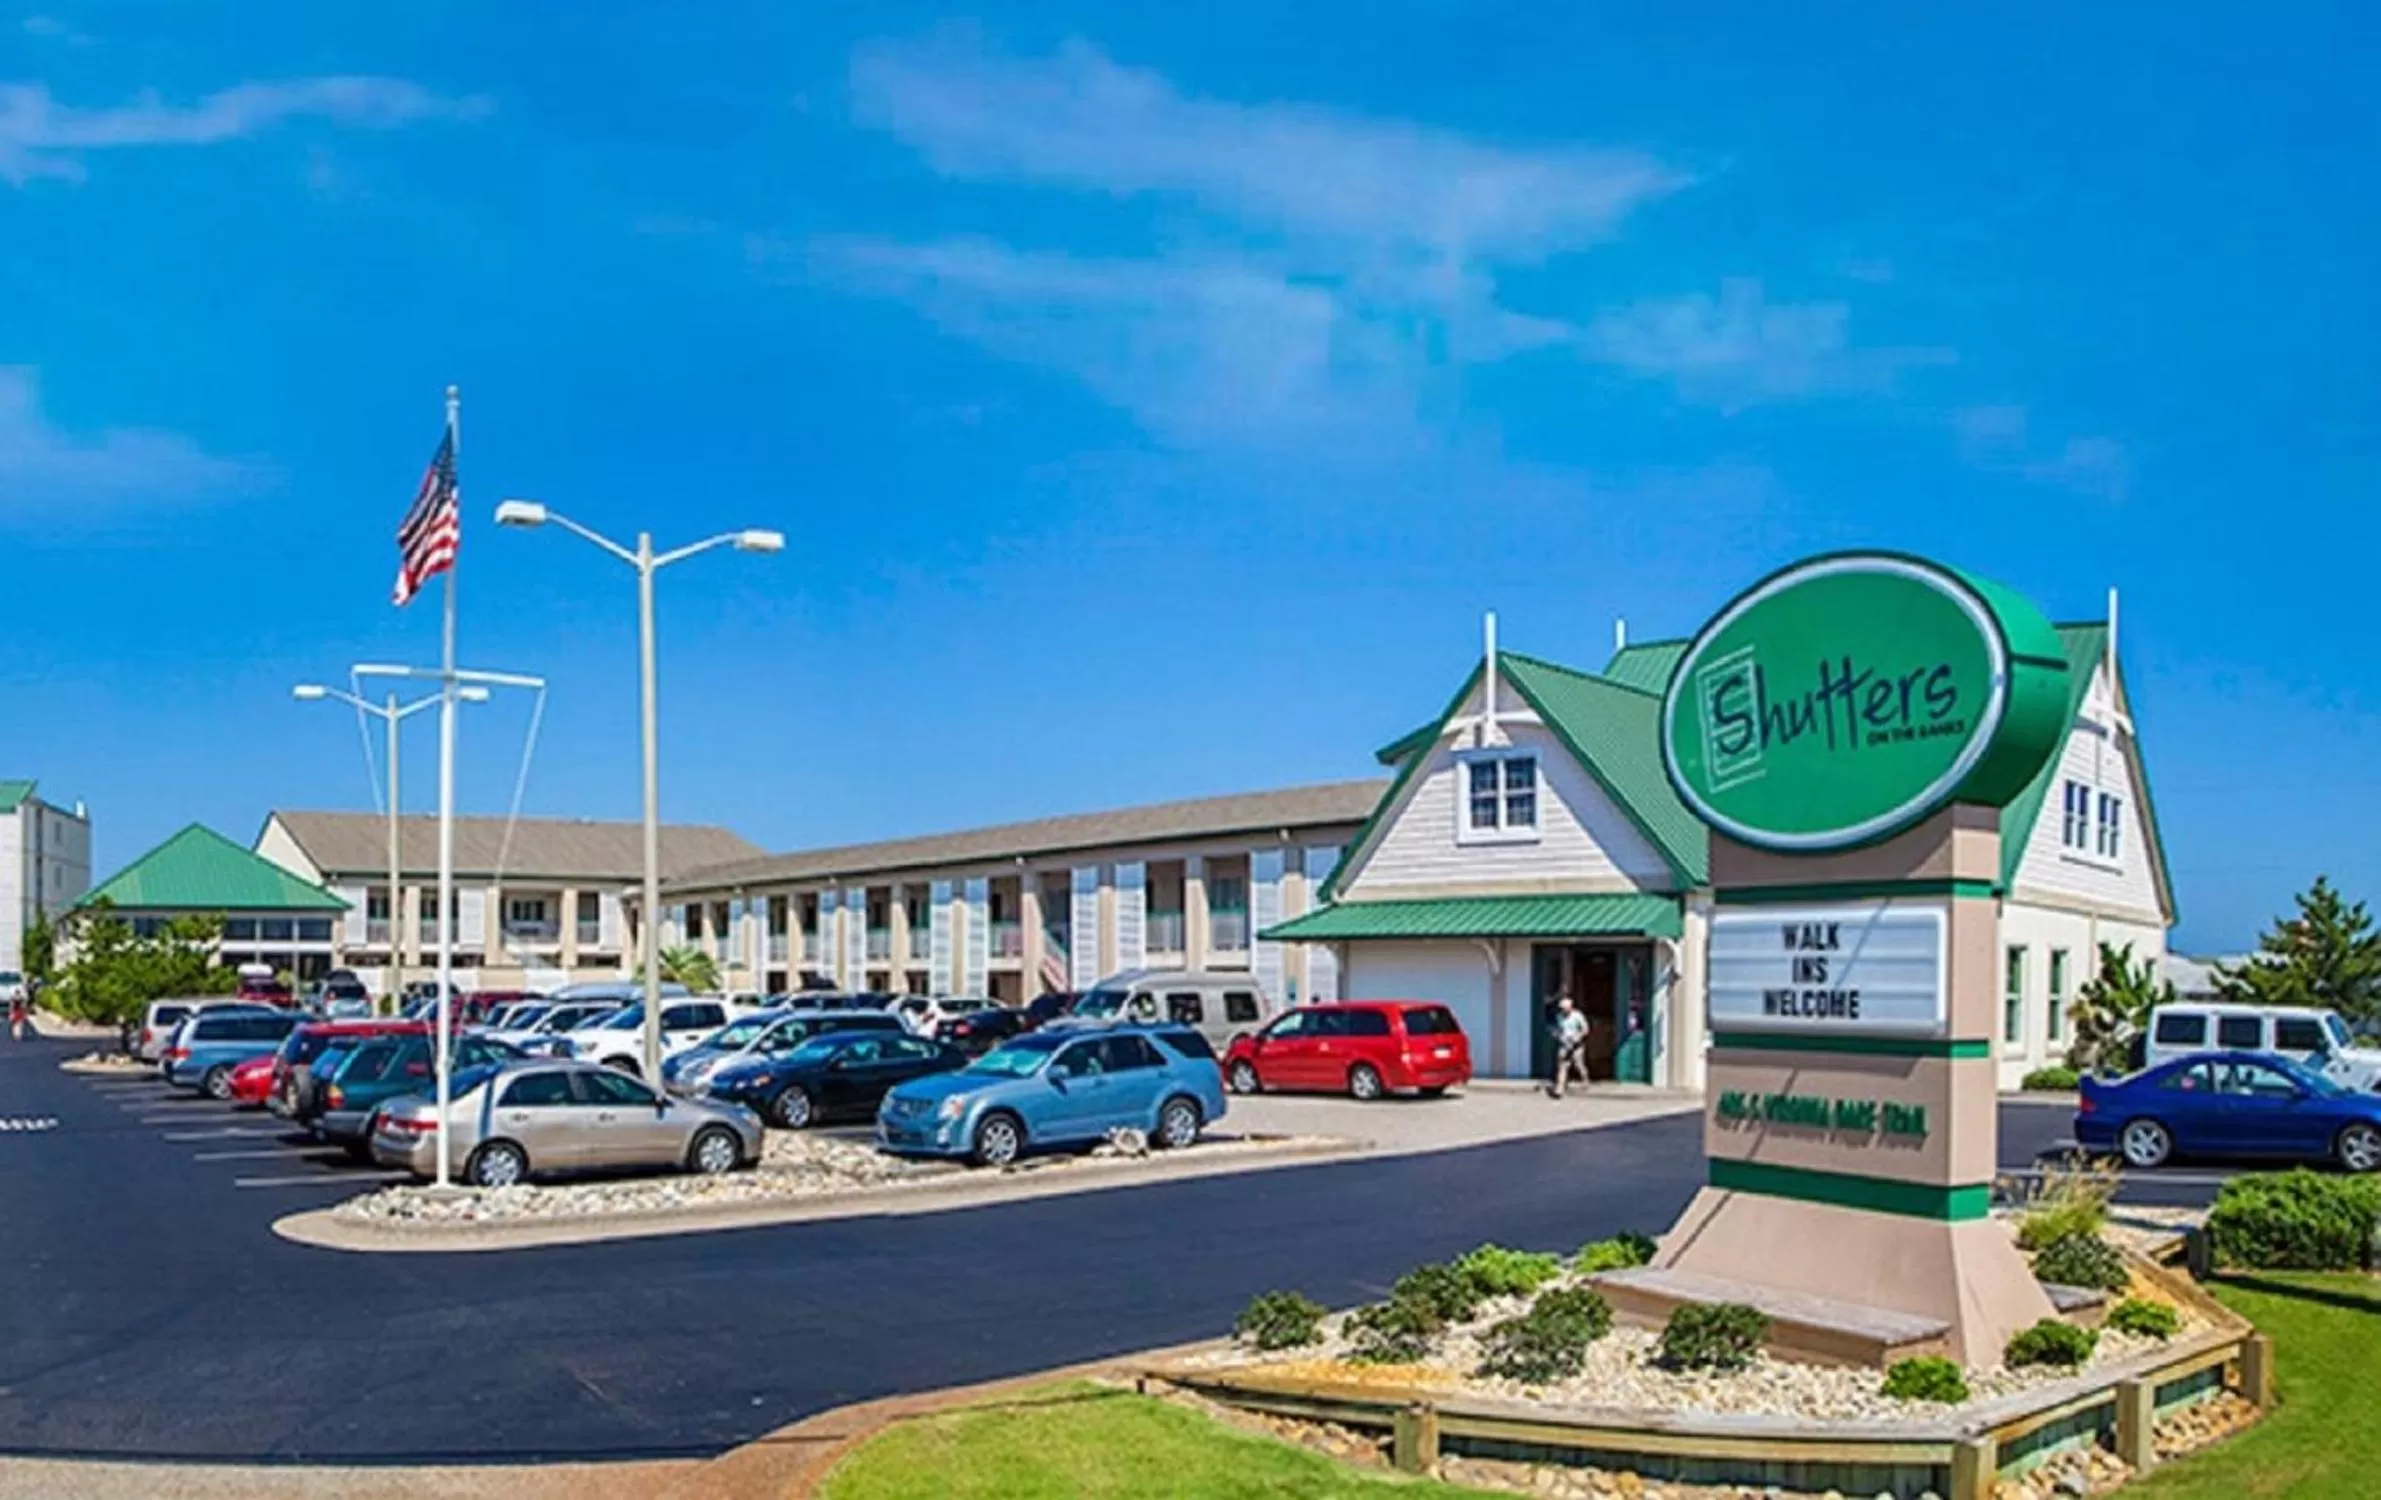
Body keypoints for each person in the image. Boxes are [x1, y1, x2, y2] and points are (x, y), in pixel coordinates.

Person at [1548, 993, 1588, 1098]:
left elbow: (1585, 1029)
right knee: (1562, 1066)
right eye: (1562, 1008)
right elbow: (1559, 1029)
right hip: (1565, 1044)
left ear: (1570, 1007)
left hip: (1576, 1044)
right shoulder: (1560, 1017)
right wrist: (1557, 1035)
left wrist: (1578, 1037)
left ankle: (1585, 1080)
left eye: (1565, 1008)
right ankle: (1559, 1089)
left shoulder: (1577, 1015)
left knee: (1578, 1064)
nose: (1563, 1010)